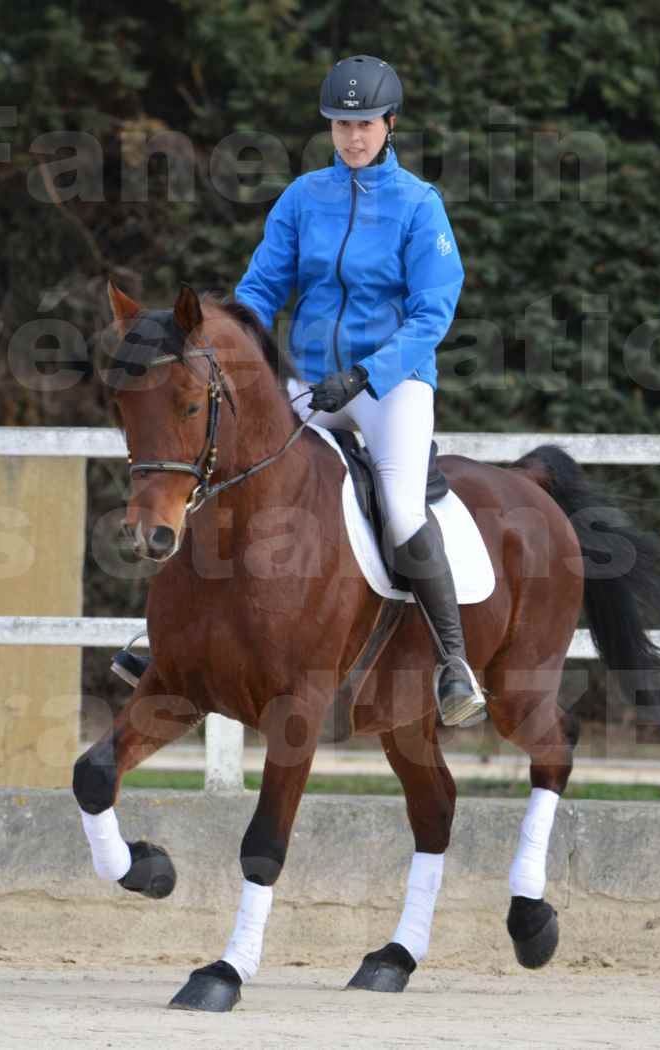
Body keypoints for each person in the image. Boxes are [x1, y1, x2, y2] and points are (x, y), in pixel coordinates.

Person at [232, 55, 485, 727]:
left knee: (402, 509)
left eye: (365, 124)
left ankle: (454, 664)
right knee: (236, 473)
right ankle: (167, 633)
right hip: (312, 382)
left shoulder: (418, 205)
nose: (353, 137)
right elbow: (261, 287)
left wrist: (370, 373)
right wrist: (231, 334)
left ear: (390, 124)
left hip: (391, 387)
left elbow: (433, 311)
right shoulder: (301, 198)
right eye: (342, 125)